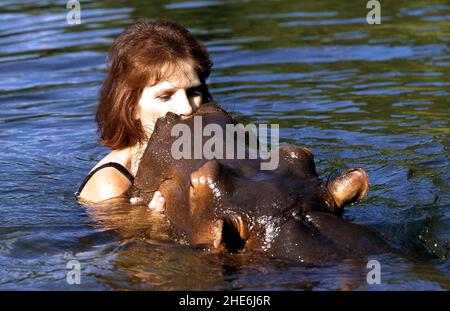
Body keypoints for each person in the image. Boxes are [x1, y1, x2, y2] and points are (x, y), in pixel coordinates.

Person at [77, 19, 213, 209]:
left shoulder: (207, 148)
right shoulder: (110, 187)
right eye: (166, 96)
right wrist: (152, 225)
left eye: (193, 93)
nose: (187, 109)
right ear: (131, 108)